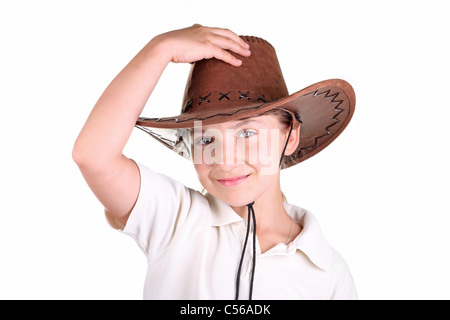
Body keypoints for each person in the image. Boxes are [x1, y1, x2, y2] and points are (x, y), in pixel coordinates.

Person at [73, 24, 358, 300]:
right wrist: (161, 48)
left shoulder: (326, 271)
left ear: (290, 136)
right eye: (206, 140)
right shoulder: (175, 219)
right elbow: (94, 157)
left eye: (247, 133)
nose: (225, 158)